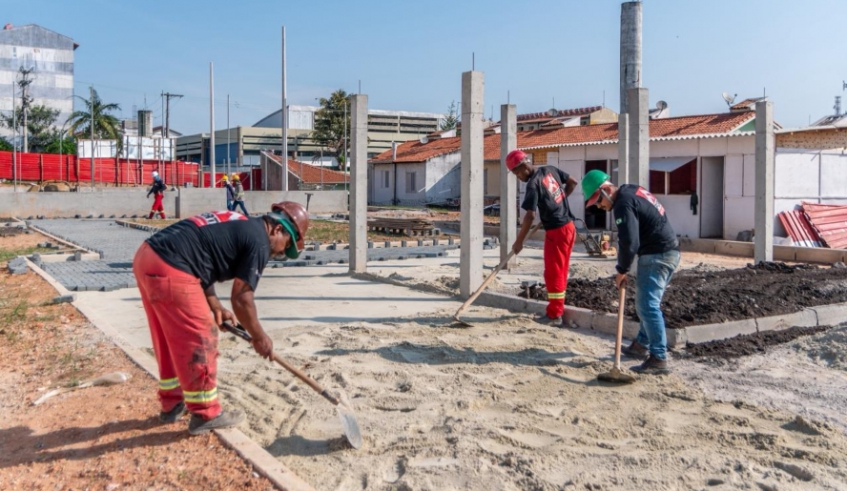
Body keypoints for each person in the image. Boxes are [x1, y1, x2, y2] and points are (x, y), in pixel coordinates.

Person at [132, 202, 310, 434]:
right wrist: (260, 337)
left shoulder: (241, 223)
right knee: (203, 335)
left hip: (148, 256)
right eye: (285, 245)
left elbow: (199, 259)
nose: (279, 253)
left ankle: (171, 404)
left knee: (168, 338)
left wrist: (215, 304)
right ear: (277, 229)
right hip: (172, 266)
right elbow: (242, 299)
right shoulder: (259, 242)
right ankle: (206, 412)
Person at [581, 170, 680, 375]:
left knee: (647, 305)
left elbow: (629, 242)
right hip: (666, 251)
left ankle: (659, 358)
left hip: (657, 254)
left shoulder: (623, 204)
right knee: (647, 303)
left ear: (606, 190)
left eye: (598, 201)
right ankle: (642, 344)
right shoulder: (631, 190)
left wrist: (622, 270)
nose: (600, 207)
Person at [506, 149, 578, 327]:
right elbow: (572, 182)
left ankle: (554, 315)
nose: (518, 177)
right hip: (569, 228)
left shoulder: (533, 184)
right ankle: (557, 309)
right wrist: (558, 201)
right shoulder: (550, 169)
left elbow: (529, 216)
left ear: (523, 166)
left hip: (557, 232)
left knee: (553, 273)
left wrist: (519, 241)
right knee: (560, 271)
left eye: (516, 173)